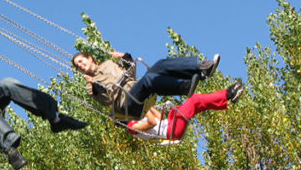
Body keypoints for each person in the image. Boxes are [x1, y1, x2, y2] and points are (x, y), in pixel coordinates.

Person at [71, 49, 221, 119]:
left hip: (137, 90)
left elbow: (130, 73)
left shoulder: (109, 63)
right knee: (149, 81)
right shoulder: (90, 86)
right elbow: (106, 101)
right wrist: (95, 85)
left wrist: (126, 57)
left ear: (89, 58)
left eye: (81, 61)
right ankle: (185, 86)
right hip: (127, 105)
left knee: (159, 65)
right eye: (78, 66)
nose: (81, 65)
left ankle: (202, 69)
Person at [127, 80, 245, 141]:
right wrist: (143, 106)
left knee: (199, 103)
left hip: (171, 123)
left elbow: (159, 118)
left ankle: (227, 96)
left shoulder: (138, 119)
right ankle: (228, 94)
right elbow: (152, 122)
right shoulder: (132, 127)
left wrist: (146, 104)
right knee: (193, 100)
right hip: (172, 130)